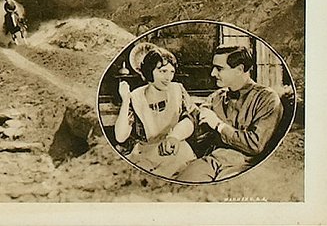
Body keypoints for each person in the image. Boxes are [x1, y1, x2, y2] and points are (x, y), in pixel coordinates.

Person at [176, 45, 283, 182]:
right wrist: (174, 136)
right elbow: (194, 119)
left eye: (219, 68)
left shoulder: (267, 98)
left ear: (239, 70)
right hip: (212, 161)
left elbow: (255, 145)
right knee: (181, 185)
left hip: (247, 166)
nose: (213, 73)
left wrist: (219, 125)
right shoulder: (217, 97)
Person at [114, 44, 198, 178]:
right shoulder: (136, 96)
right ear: (149, 71)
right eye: (163, 71)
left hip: (175, 150)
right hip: (147, 155)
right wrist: (125, 100)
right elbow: (120, 136)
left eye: (171, 72)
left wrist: (174, 137)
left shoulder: (178, 90)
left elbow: (189, 120)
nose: (168, 78)